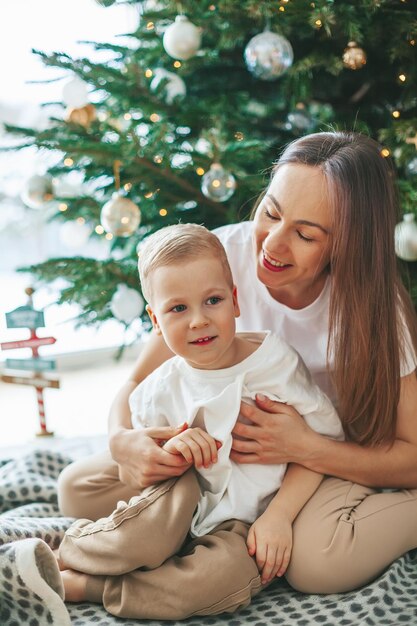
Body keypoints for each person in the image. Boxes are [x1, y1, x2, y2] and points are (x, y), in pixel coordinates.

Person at [58, 131, 417, 596]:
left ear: (346, 244)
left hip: (324, 461)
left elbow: (410, 456)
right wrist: (123, 440)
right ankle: (211, 530)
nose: (273, 244)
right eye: (271, 211)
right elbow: (140, 381)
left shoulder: (375, 310)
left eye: (306, 234)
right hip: (220, 461)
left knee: (318, 565)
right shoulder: (221, 258)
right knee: (77, 488)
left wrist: (303, 449)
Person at [57, 223, 343, 620]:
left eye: (212, 301)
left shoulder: (274, 364)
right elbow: (148, 460)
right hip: (181, 501)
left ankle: (91, 584)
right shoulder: (162, 386)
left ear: (235, 301)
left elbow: (319, 447)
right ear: (155, 321)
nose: (198, 321)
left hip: (246, 519)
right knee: (141, 534)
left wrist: (279, 515)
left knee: (220, 578)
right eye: (178, 309)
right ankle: (66, 554)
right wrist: (174, 450)